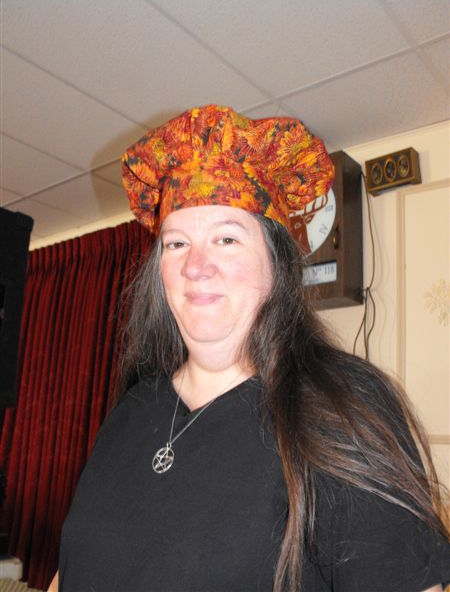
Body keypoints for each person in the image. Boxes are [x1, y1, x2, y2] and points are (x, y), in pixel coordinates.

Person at [49, 105, 450, 592]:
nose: (196, 266)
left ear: (277, 264)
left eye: (226, 238)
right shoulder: (134, 407)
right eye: (176, 244)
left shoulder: (341, 407)